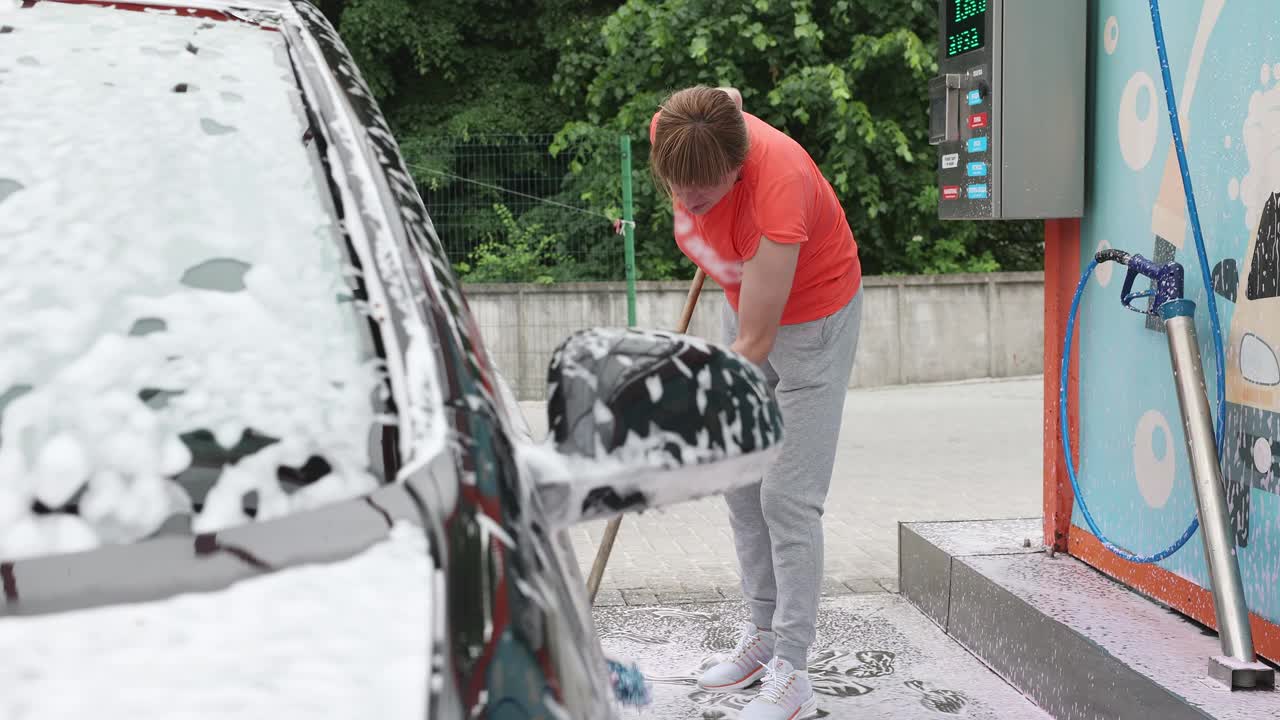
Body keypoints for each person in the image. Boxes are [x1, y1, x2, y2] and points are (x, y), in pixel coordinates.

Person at [648, 85, 862, 720]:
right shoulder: (679, 128)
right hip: (747, 300)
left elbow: (758, 341)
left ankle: (793, 669)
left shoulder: (780, 189)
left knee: (786, 499)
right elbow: (729, 96)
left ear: (738, 170)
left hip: (812, 322)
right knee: (740, 482)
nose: (688, 207)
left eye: (704, 198)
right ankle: (763, 640)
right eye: (678, 193)